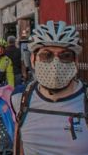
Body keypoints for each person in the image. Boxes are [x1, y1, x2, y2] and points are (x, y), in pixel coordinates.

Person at [11, 20, 88, 155]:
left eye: (65, 56)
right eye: (46, 55)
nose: (55, 64)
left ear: (75, 61)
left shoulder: (85, 99)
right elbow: (18, 148)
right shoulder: (20, 99)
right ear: (33, 59)